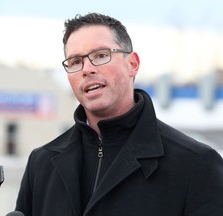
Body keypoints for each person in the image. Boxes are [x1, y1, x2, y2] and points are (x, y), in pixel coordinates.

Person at [15, 12, 223, 215]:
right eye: (76, 61)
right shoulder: (41, 164)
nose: (87, 69)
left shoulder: (196, 165)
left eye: (101, 55)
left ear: (132, 64)